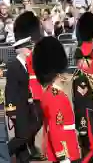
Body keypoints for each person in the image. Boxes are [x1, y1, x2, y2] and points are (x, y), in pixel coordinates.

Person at [32, 36, 81, 162]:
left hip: (66, 147)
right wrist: (63, 156)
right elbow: (56, 129)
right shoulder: (55, 96)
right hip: (66, 151)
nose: (66, 74)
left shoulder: (51, 93)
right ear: (58, 74)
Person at [6, 11, 45, 162]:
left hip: (28, 106)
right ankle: (5, 150)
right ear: (22, 48)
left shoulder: (28, 65)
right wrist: (11, 111)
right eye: (29, 47)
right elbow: (10, 90)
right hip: (18, 108)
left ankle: (24, 155)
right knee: (22, 136)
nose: (31, 50)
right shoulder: (14, 65)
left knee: (35, 125)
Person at [72, 12, 93, 163]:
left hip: (86, 106)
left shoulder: (82, 51)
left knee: (86, 144)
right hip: (88, 108)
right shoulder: (91, 52)